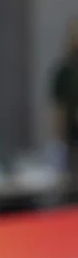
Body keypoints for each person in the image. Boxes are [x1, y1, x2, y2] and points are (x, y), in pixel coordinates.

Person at [51, 17, 78, 204]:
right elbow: (58, 107)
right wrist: (59, 136)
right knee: (72, 183)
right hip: (72, 137)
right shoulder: (65, 70)